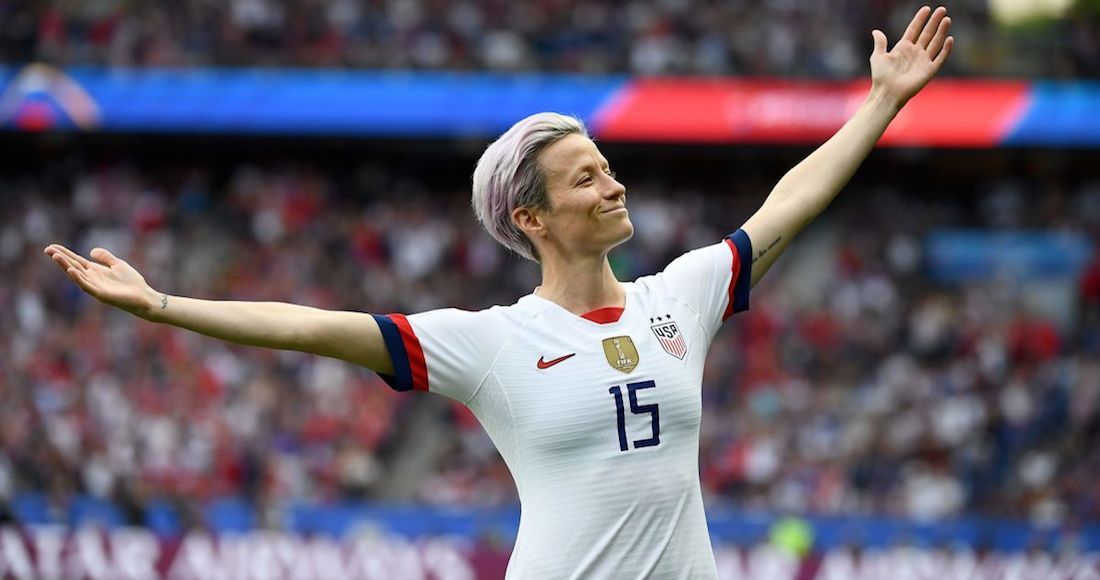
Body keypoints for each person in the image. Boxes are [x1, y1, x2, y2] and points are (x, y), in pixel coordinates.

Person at [45, 6, 953, 578]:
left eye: (608, 167)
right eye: (586, 179)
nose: (615, 186)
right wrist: (165, 306)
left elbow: (789, 203)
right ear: (532, 218)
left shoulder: (681, 297)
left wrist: (881, 104)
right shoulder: (491, 344)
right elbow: (309, 327)